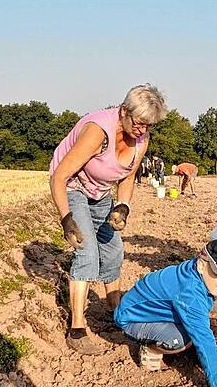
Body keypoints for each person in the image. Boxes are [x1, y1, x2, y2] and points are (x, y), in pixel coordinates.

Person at [49, 84, 168, 354]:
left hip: (100, 192)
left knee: (113, 250)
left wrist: (123, 206)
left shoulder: (141, 139)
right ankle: (77, 329)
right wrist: (66, 218)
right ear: (124, 111)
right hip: (73, 188)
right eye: (139, 123)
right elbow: (58, 176)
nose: (143, 130)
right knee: (87, 251)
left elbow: (127, 177)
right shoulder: (97, 132)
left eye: (149, 126)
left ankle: (116, 311)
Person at [114, 239, 217, 387]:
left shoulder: (198, 270)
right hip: (132, 320)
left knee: (196, 325)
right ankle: (151, 349)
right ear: (202, 264)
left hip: (154, 312)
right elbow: (204, 339)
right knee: (183, 339)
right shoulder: (190, 294)